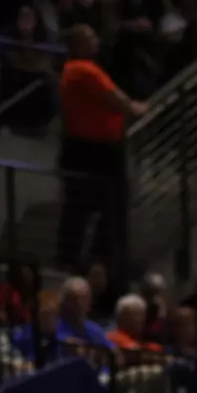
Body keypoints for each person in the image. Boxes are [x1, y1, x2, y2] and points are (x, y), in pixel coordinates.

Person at [57, 25, 146, 272]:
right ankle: (89, 258)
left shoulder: (83, 70)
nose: (96, 41)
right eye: (90, 38)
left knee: (102, 206)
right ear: (77, 45)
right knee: (102, 205)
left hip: (95, 148)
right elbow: (117, 99)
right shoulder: (82, 70)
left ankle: (103, 257)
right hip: (92, 150)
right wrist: (135, 107)